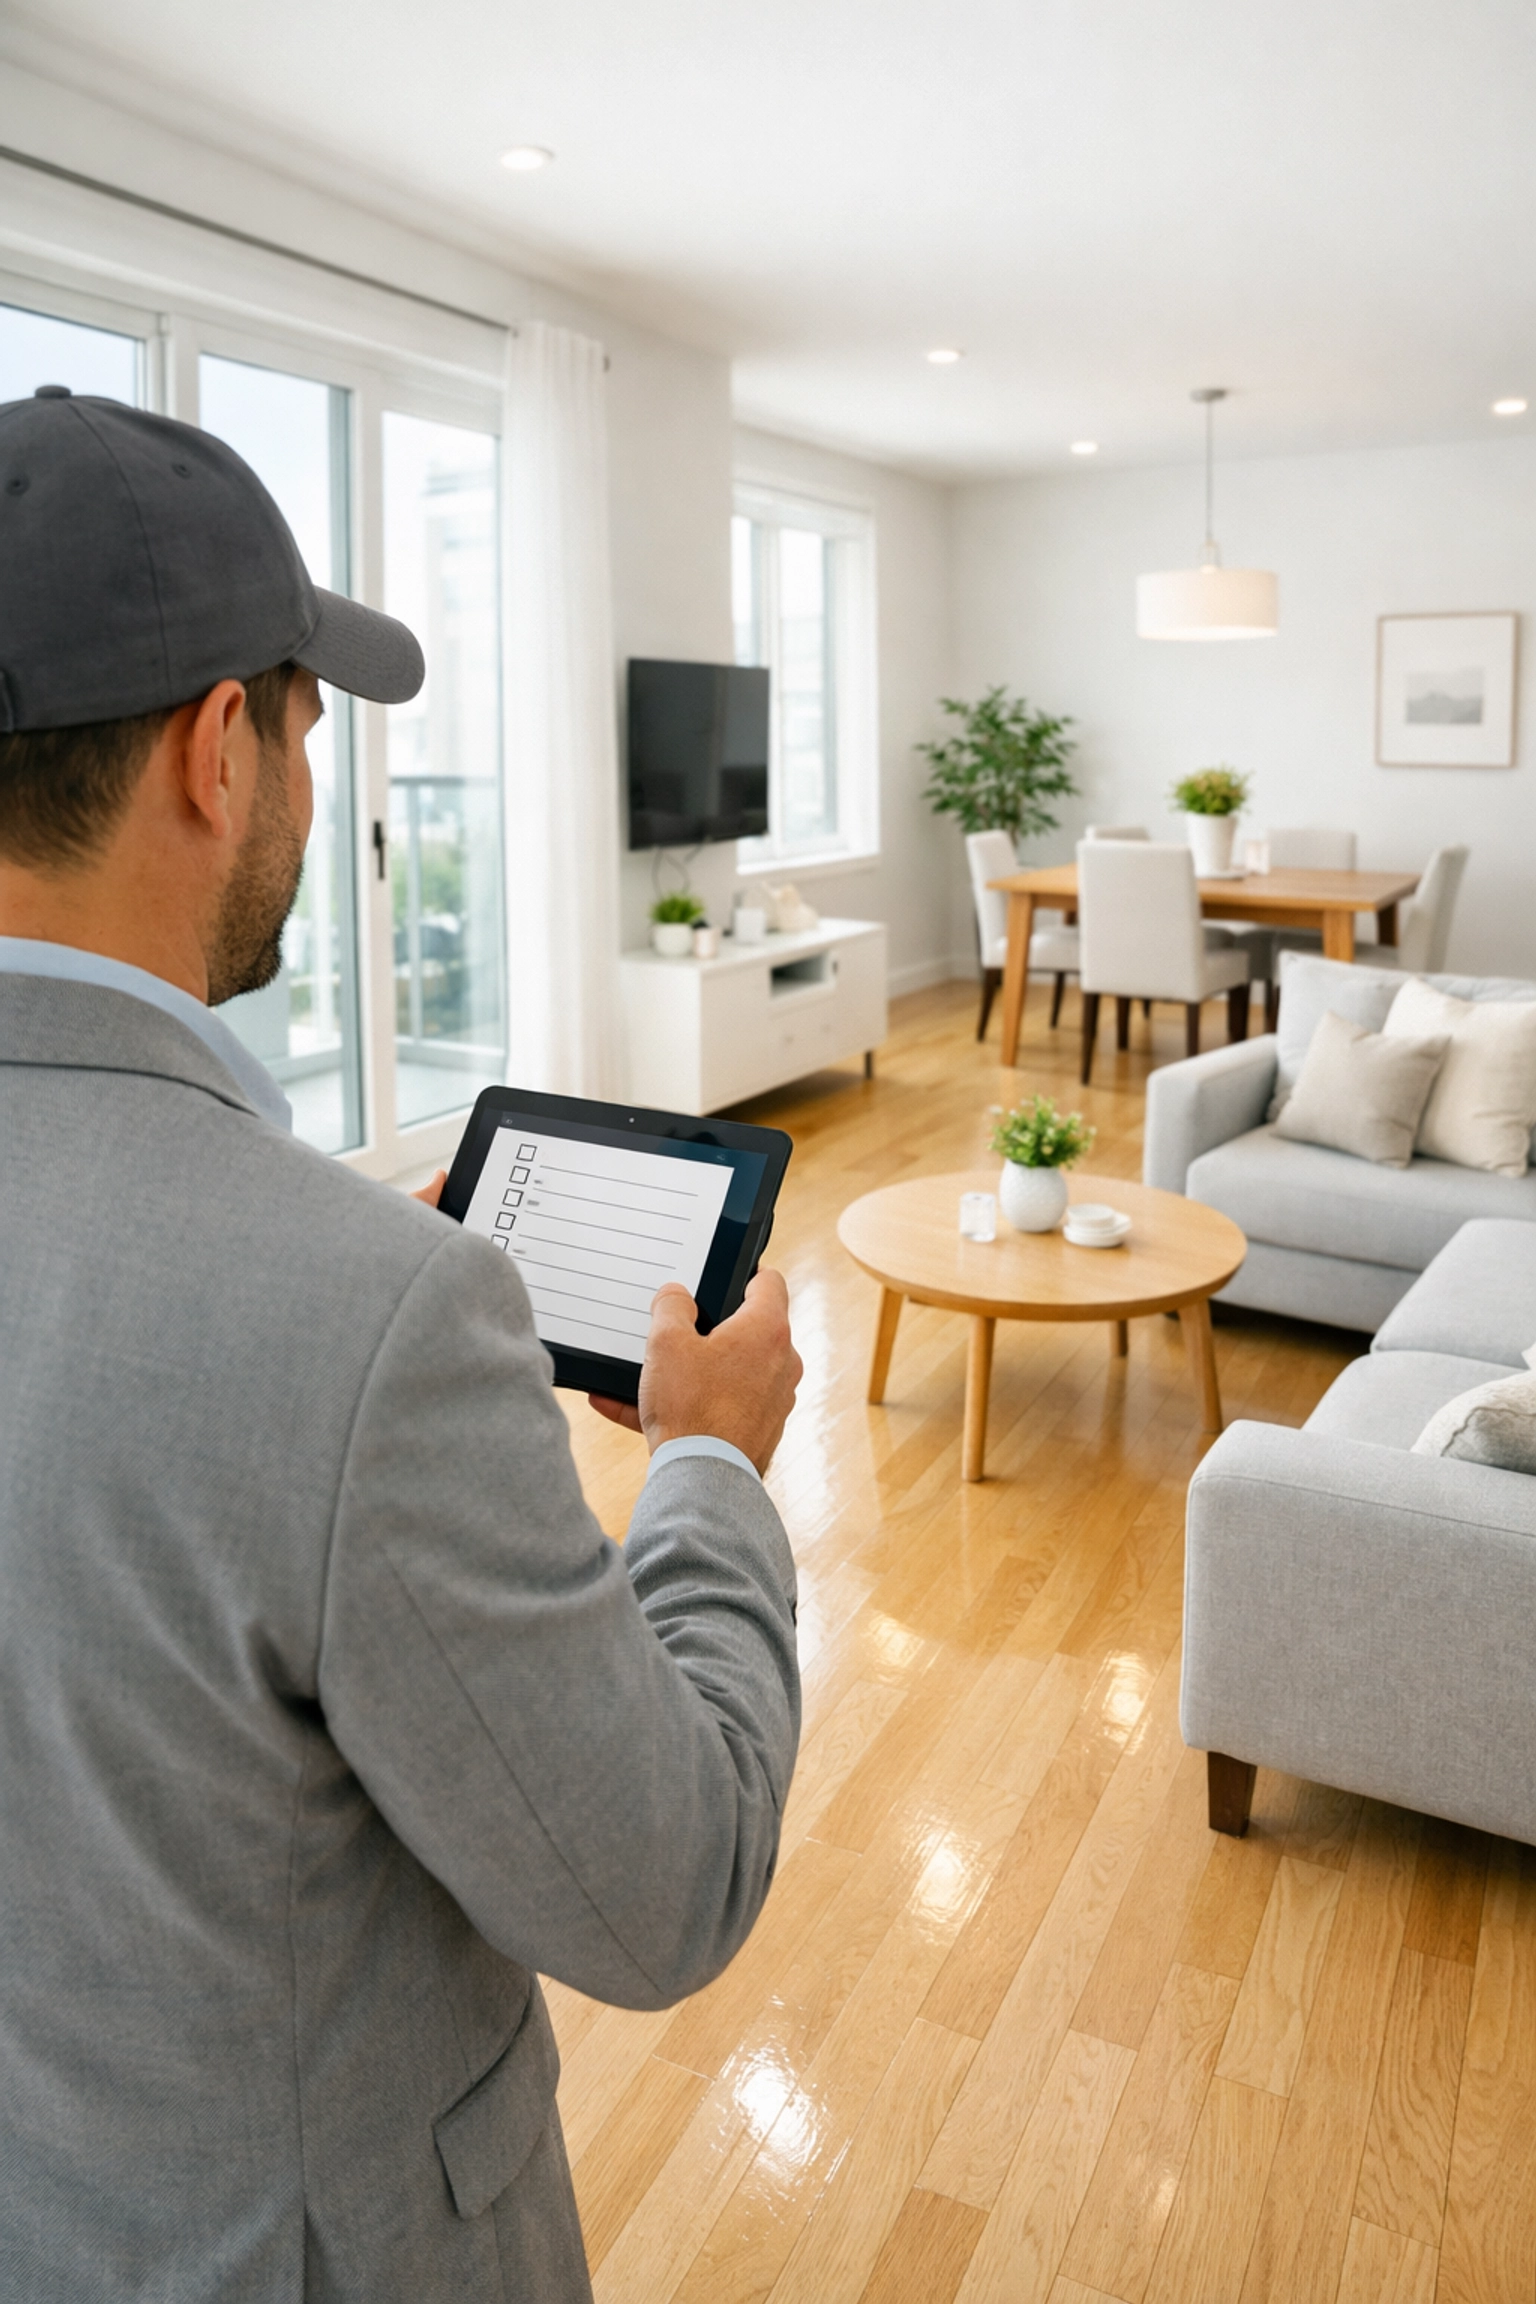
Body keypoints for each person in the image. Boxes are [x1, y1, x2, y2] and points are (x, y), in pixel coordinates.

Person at [0, 388, 803, 2302]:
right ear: (217, 750)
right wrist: (707, 1459)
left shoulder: (355, 1288)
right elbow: (662, 1886)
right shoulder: (369, 1309)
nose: (308, 780)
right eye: (303, 726)